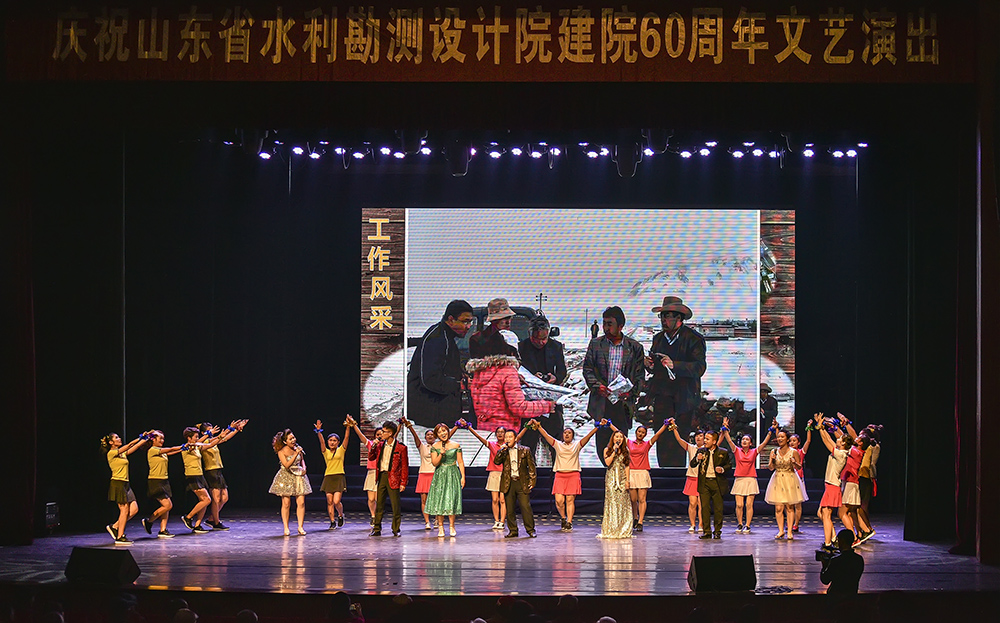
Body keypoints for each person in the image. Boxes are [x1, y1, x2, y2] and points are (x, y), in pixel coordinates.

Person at [645, 296, 707, 468]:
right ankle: (663, 478)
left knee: (679, 443)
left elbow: (699, 368)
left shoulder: (694, 339)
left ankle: (677, 480)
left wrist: (675, 365)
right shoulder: (658, 339)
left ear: (679, 318)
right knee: (662, 442)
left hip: (683, 401)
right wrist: (650, 365)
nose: (663, 320)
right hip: (662, 400)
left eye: (667, 316)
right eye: (662, 316)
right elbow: (656, 368)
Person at [583, 306, 645, 466]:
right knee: (602, 446)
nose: (605, 327)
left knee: (621, 444)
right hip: (602, 403)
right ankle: (607, 473)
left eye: (609, 324)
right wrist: (598, 386)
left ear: (620, 326)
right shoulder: (596, 344)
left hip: (622, 404)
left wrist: (630, 393)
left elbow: (639, 377)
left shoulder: (635, 348)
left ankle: (618, 475)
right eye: (604, 323)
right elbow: (588, 370)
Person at [407, 299, 474, 428]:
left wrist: (461, 375)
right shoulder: (437, 339)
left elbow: (445, 367)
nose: (469, 326)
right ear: (451, 319)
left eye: (470, 321)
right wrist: (459, 385)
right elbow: (430, 379)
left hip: (436, 409)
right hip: (429, 412)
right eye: (465, 321)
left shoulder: (446, 336)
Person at [465, 338, 554, 433]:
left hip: (484, 430)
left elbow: (494, 392)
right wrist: (547, 406)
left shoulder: (479, 373)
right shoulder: (508, 372)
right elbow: (519, 408)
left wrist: (515, 382)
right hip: (506, 432)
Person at [534, 418, 604, 531]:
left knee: (570, 500)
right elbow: (546, 436)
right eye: (565, 433)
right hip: (560, 475)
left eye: (569, 433)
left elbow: (588, 437)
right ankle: (563, 517)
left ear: (573, 435)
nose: (567, 434)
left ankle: (569, 522)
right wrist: (539, 427)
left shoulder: (576, 445)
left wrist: (597, 427)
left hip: (573, 475)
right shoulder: (558, 445)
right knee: (559, 501)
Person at [517, 315, 568, 462]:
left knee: (555, 440)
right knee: (528, 443)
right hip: (530, 402)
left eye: (544, 338)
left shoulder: (556, 346)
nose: (541, 342)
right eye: (537, 339)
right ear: (530, 334)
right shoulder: (522, 347)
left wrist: (555, 378)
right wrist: (531, 377)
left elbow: (562, 371)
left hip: (551, 401)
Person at [462, 421, 526, 530]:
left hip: (505, 474)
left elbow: (518, 436)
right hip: (494, 474)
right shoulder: (492, 444)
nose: (500, 434)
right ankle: (496, 521)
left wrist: (527, 426)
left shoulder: (509, 445)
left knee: (503, 500)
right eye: (498, 432)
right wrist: (469, 427)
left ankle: (502, 521)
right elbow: (479, 437)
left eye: (502, 432)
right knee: (495, 499)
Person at [608, 420, 669, 532]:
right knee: (633, 499)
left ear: (645, 434)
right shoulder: (629, 443)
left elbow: (657, 435)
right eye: (639, 432)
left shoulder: (647, 444)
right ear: (636, 432)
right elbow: (618, 433)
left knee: (642, 499)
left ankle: (640, 521)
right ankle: (635, 517)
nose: (640, 434)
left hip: (642, 473)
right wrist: (609, 424)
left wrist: (665, 425)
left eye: (643, 432)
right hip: (631, 472)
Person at [721, 417, 774, 534]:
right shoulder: (737, 451)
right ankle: (740, 523)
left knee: (749, 505)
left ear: (751, 443)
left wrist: (770, 432)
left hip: (750, 479)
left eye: (747, 439)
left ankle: (748, 525)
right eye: (743, 439)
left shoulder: (754, 452)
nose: (744, 441)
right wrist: (725, 428)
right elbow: (729, 440)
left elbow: (764, 443)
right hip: (739, 479)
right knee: (739, 505)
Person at [197, 419, 248, 531]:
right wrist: (230, 429)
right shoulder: (203, 443)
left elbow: (225, 438)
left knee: (224, 498)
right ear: (203, 433)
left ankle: (211, 518)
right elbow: (220, 437)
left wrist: (236, 429)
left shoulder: (213, 441)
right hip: (211, 471)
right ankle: (216, 522)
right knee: (216, 499)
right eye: (210, 431)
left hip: (218, 470)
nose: (212, 432)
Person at [101, 431, 150, 545]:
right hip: (118, 483)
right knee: (124, 510)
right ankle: (120, 536)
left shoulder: (122, 454)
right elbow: (129, 445)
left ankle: (115, 526)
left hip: (126, 484)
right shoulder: (111, 453)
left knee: (134, 509)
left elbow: (135, 447)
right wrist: (139, 437)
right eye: (116, 438)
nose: (119, 439)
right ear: (111, 442)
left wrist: (145, 438)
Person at [179, 426, 226, 534]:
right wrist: (208, 434)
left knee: (204, 501)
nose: (197, 438)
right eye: (195, 437)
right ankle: (188, 517)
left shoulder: (197, 447)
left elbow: (210, 445)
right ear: (189, 438)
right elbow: (196, 444)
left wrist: (219, 437)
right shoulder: (187, 447)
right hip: (192, 476)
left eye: (197, 437)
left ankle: (197, 525)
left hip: (200, 476)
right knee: (207, 500)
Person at [816, 415, 852, 551]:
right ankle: (833, 538)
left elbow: (826, 441)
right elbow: (828, 439)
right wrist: (821, 426)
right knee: (821, 514)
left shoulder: (841, 454)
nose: (838, 439)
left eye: (840, 439)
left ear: (843, 444)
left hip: (833, 486)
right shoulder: (839, 451)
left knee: (826, 514)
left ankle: (828, 543)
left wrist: (820, 428)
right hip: (830, 485)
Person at [494, 428, 537, 538]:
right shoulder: (504, 451)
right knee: (510, 509)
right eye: (506, 437)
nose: (507, 439)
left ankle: (530, 530)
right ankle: (513, 530)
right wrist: (501, 450)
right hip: (508, 482)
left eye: (510, 437)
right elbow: (496, 461)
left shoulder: (525, 450)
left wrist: (532, 480)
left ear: (516, 438)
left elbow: (531, 466)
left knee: (525, 507)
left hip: (521, 482)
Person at [369, 420, 409, 537]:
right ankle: (377, 528)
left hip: (394, 478)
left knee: (395, 505)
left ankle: (396, 529)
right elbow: (371, 457)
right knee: (379, 504)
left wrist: (403, 482)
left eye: (384, 431)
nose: (382, 434)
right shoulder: (380, 445)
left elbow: (404, 466)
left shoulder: (401, 447)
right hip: (382, 476)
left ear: (390, 433)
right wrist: (373, 446)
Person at [268, 429, 312, 536]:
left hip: (298, 476)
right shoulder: (281, 451)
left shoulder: (298, 448)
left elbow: (302, 460)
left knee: (301, 502)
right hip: (286, 476)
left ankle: (300, 527)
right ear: (285, 441)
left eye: (293, 438)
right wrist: (295, 454)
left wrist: (304, 468)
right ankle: (286, 527)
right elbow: (287, 465)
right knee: (286, 503)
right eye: (290, 439)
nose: (293, 440)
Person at [141, 430, 184, 538]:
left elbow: (171, 452)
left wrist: (182, 449)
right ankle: (149, 521)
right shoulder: (153, 450)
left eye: (163, 438)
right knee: (168, 505)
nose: (162, 440)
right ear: (153, 440)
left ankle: (163, 530)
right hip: (156, 481)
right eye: (160, 438)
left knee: (166, 506)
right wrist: (182, 446)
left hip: (164, 480)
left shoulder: (161, 451)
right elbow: (171, 449)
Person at [424, 422, 464, 537]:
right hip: (440, 474)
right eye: (440, 432)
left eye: (444, 430)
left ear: (448, 431)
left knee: (451, 499)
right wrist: (441, 454)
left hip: (452, 473)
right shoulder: (435, 447)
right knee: (440, 500)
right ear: (437, 434)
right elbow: (435, 463)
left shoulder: (456, 445)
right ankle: (441, 527)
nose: (443, 433)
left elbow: (460, 462)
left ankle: (452, 526)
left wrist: (463, 477)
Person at [765, 426, 804, 540]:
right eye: (778, 437)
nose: (780, 439)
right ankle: (781, 530)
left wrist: (794, 463)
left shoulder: (793, 452)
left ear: (787, 439)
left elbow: (799, 466)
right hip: (778, 479)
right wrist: (772, 460)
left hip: (790, 478)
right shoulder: (774, 451)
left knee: (789, 507)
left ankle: (790, 531)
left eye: (782, 437)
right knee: (778, 508)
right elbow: (771, 468)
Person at [691, 430, 731, 539]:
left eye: (707, 439)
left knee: (718, 509)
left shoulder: (723, 452)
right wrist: (697, 459)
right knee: (705, 508)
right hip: (705, 483)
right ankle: (707, 531)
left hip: (717, 483)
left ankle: (717, 531)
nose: (705, 441)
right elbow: (692, 464)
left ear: (714, 441)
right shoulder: (701, 451)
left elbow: (729, 465)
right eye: (705, 438)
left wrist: (722, 469)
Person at [402, 416, 439, 529]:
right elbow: (415, 436)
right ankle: (427, 522)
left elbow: (448, 436)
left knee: (436, 499)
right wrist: (409, 426)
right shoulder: (422, 447)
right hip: (423, 474)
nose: (430, 436)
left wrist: (456, 426)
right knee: (424, 500)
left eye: (432, 434)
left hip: (435, 475)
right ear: (425, 437)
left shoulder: (439, 446)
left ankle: (437, 519)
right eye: (428, 435)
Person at [668, 421, 705, 533]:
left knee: (701, 504)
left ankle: (701, 524)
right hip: (692, 478)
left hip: (703, 479)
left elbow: (718, 442)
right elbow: (679, 440)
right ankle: (692, 524)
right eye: (697, 436)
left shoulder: (708, 449)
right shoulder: (691, 448)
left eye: (701, 436)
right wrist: (674, 427)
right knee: (692, 503)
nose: (698, 438)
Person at [315, 418, 350, 530]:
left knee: (336, 501)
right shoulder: (326, 452)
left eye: (334, 440)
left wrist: (348, 426)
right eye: (330, 440)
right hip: (328, 477)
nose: (332, 442)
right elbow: (321, 442)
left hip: (339, 476)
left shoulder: (341, 450)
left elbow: (346, 438)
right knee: (329, 501)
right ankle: (332, 521)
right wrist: (319, 431)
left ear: (338, 442)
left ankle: (340, 515)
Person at [597, 430, 633, 539]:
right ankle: (612, 528)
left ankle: (623, 528)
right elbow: (608, 463)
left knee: (622, 503)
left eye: (621, 437)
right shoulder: (607, 450)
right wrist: (614, 451)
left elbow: (627, 466)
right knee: (612, 502)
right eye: (617, 436)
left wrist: (627, 481)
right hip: (611, 479)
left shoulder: (626, 451)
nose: (619, 439)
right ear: (613, 438)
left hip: (622, 478)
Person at [856, 425, 882, 543]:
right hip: (862, 476)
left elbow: (871, 464)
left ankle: (868, 528)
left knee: (863, 506)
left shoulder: (873, 447)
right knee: (860, 505)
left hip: (866, 477)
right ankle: (864, 528)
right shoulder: (866, 448)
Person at [820, 529, 865, 595]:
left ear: (842, 541)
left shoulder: (836, 560)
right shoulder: (859, 559)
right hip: (851, 594)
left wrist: (824, 566)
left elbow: (825, 580)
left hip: (835, 595)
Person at [788, 426, 813, 533]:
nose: (792, 442)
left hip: (798, 479)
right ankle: (790, 521)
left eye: (794, 441)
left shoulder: (800, 452)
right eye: (790, 441)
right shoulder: (786, 452)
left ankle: (796, 524)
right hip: (788, 478)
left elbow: (808, 441)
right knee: (788, 503)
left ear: (798, 443)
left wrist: (808, 428)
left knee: (797, 504)